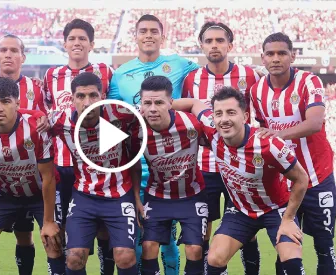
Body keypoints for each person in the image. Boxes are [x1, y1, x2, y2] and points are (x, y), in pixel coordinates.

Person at [175, 86, 309, 275]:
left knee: (291, 260)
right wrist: (162, 106)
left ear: (245, 116)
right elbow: (194, 103)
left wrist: (288, 219)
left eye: (231, 112)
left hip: (276, 209)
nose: (224, 119)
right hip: (241, 211)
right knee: (214, 259)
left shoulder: (268, 144)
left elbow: (301, 179)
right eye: (219, 113)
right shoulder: (213, 131)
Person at [107, 14, 199, 274]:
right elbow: (115, 115)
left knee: (167, 240)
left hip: (171, 167)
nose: (148, 35)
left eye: (153, 31)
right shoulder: (121, 74)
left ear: (162, 36)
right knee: (137, 239)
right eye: (143, 31)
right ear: (135, 36)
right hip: (136, 166)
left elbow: (208, 78)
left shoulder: (179, 64)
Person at [251, 32, 336, 275]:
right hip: (283, 183)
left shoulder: (310, 81)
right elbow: (261, 130)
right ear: (263, 58)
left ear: (293, 56)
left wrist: (278, 135)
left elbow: (314, 123)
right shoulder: (257, 91)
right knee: (285, 250)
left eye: (281, 53)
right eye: (270, 54)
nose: (276, 58)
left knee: (324, 247)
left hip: (317, 177)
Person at [181, 21, 261, 274]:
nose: (214, 45)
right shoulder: (192, 79)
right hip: (205, 167)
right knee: (204, 227)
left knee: (247, 229)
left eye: (219, 40)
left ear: (230, 45)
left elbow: (256, 118)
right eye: (209, 41)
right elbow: (189, 119)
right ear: (202, 46)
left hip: (239, 167)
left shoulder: (249, 76)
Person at [0, 77, 64, 275]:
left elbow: (48, 178)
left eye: (6, 101)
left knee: (54, 243)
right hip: (5, 193)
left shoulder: (36, 128)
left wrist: (48, 222)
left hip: (39, 194)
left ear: (17, 103)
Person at [0, 34, 48, 275]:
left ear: (23, 57)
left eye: (14, 50)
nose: (8, 54)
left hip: (28, 173)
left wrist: (33, 115)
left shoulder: (35, 87)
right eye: (3, 49)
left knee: (24, 235)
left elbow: (43, 120)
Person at [43, 18, 115, 274]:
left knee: (105, 231)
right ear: (64, 44)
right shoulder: (51, 75)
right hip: (61, 165)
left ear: (91, 44)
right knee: (61, 234)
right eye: (72, 38)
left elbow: (114, 113)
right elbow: (45, 116)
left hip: (97, 166)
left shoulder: (105, 71)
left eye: (82, 38)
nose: (77, 43)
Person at [50, 72, 140, 275]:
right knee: (74, 257)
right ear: (72, 99)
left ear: (102, 96)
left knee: (125, 256)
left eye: (93, 95)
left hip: (118, 196)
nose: (87, 102)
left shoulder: (122, 114)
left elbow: (157, 109)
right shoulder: (60, 122)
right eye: (80, 96)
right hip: (83, 197)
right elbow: (30, 117)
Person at [130, 76, 209, 275]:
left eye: (159, 102)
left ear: (171, 103)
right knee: (148, 248)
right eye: (147, 103)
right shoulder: (136, 131)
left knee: (195, 249)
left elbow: (217, 143)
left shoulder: (192, 124)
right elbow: (133, 166)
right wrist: (136, 199)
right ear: (141, 104)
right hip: (157, 197)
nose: (153, 108)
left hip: (191, 195)